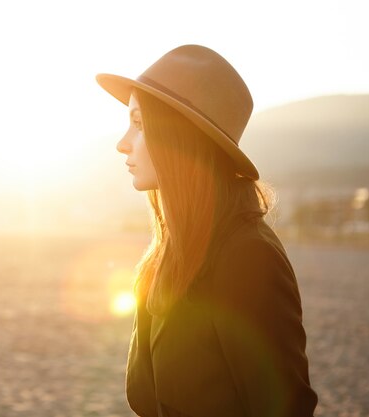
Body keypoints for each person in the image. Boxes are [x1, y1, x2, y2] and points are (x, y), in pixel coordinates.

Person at [95, 45, 318, 417]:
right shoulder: (167, 251)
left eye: (138, 123)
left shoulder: (248, 258)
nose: (122, 143)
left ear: (179, 137)